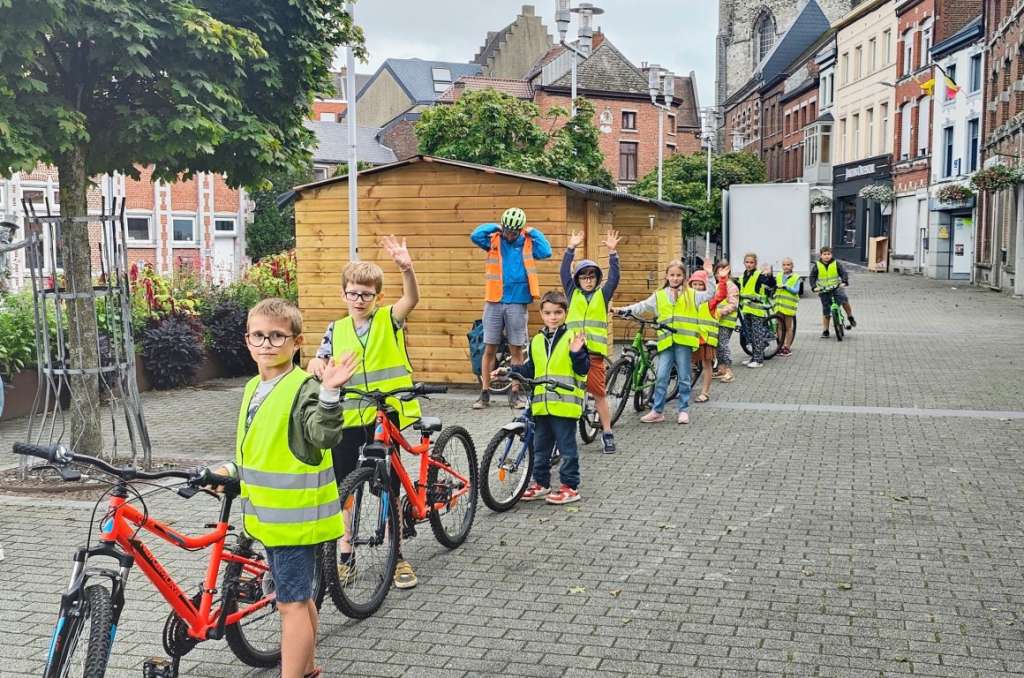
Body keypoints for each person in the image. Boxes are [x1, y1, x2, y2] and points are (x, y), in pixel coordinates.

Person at [236, 298, 359, 678]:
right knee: (299, 600)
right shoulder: (256, 385)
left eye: (277, 336)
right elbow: (256, 444)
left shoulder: (302, 387)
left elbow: (323, 435)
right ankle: (306, 671)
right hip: (272, 518)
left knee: (290, 605)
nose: (267, 343)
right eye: (259, 335)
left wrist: (330, 393)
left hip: (295, 520)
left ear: (297, 341)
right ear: (247, 340)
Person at [306, 236, 423, 590]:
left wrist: (406, 268)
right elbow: (320, 358)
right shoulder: (335, 328)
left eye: (367, 294)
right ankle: (345, 556)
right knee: (345, 489)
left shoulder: (389, 319)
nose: (359, 300)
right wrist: (314, 363)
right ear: (344, 294)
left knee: (386, 488)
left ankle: (397, 554)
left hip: (383, 415)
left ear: (377, 297)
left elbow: (411, 300)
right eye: (353, 293)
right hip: (347, 417)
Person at [499, 290, 588, 504]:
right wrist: (509, 371)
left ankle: (570, 487)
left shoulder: (573, 338)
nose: (553, 317)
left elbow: (583, 369)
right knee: (540, 448)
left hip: (565, 407)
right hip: (542, 406)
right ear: (541, 313)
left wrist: (577, 353)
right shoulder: (538, 340)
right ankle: (542, 484)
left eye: (558, 312)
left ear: (565, 313)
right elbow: (531, 368)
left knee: (567, 450)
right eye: (548, 313)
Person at [611, 260, 725, 424]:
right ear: (666, 276)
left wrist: (710, 276)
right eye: (672, 275)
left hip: (684, 342)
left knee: (684, 376)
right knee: (662, 376)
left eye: (679, 275)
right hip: (666, 342)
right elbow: (641, 307)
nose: (675, 278)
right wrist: (621, 310)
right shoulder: (659, 295)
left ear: (684, 277)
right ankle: (657, 411)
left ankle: (683, 409)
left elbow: (711, 294)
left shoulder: (692, 294)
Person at [471, 207, 553, 409]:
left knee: (516, 348)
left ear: (519, 230)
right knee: (489, 347)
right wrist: (496, 226)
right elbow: (475, 235)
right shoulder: (493, 240)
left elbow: (546, 251)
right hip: (494, 300)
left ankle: (515, 393)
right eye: (506, 230)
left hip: (517, 301)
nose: (509, 234)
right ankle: (484, 393)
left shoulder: (527, 242)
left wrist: (532, 231)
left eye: (513, 231)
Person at [562, 229, 621, 453]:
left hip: (594, 355)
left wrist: (612, 254)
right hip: (572, 353)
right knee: (568, 394)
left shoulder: (602, 295)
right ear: (577, 279)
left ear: (597, 279)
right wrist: (571, 248)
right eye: (584, 276)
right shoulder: (572, 293)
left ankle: (607, 432)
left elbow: (614, 278)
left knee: (599, 394)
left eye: (592, 276)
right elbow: (563, 273)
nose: (588, 280)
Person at [738, 253, 776, 369]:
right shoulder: (742, 276)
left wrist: (769, 275)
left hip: (756, 310)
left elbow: (771, 284)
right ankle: (753, 357)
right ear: (744, 263)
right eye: (747, 262)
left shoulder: (758, 275)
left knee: (757, 335)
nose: (749, 264)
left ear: (755, 263)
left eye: (751, 262)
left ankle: (759, 360)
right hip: (746, 309)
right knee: (750, 335)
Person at [688, 270, 722, 403]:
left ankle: (705, 392)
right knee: (687, 364)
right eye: (694, 284)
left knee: (706, 365)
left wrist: (721, 280)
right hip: (691, 338)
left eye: (700, 284)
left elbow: (721, 294)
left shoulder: (710, 301)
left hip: (706, 338)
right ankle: (684, 388)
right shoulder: (688, 299)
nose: (697, 287)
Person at [809, 246, 857, 337]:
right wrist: (814, 287)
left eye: (828, 254)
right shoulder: (817, 265)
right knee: (826, 310)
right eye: (824, 254)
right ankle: (825, 330)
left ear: (831, 255)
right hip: (823, 289)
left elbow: (843, 273)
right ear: (821, 255)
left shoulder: (836, 264)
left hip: (836, 287)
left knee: (844, 300)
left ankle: (850, 316)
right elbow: (812, 277)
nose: (827, 256)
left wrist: (844, 281)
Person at [711, 260, 738, 383]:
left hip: (726, 322)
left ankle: (728, 371)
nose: (719, 275)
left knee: (723, 345)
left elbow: (733, 304)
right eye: (718, 272)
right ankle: (721, 369)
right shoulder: (716, 285)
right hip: (716, 321)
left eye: (723, 272)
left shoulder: (731, 286)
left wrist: (721, 312)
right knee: (717, 346)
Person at [773, 257, 801, 356]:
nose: (786, 267)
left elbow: (796, 290)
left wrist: (786, 287)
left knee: (788, 327)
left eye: (788, 265)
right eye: (784, 265)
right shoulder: (779, 275)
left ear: (792, 266)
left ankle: (787, 347)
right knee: (779, 326)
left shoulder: (796, 277)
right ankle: (780, 345)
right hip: (779, 305)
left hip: (788, 306)